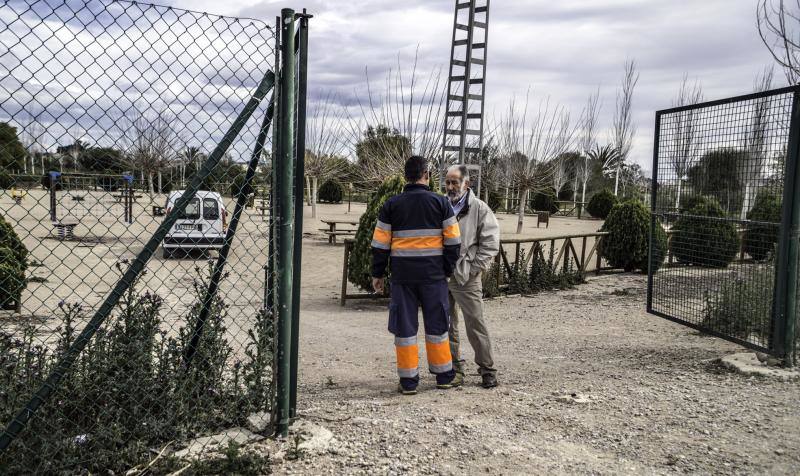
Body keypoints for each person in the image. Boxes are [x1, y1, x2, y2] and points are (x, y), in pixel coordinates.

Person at [371, 156, 461, 395]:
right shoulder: (441, 203)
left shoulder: (391, 204)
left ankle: (409, 381)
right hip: (434, 277)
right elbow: (453, 242)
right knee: (438, 325)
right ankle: (444, 376)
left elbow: (380, 244)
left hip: (403, 277)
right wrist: (446, 269)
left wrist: (377, 273)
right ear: (427, 175)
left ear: (405, 176)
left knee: (405, 330)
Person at [444, 164, 500, 389]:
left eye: (455, 182)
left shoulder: (479, 208)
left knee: (475, 323)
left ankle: (487, 369)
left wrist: (474, 268)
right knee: (446, 324)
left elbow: (491, 242)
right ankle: (454, 369)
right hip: (442, 275)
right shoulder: (440, 205)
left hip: (466, 276)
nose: (450, 186)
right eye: (447, 182)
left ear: (466, 183)